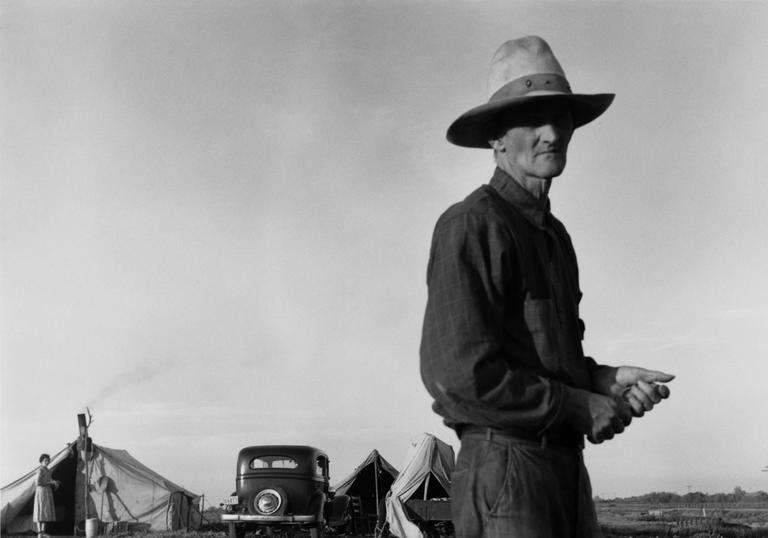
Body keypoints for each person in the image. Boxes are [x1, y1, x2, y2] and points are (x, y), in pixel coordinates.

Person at [419, 36, 675, 537]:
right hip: (506, 467)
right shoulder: (471, 224)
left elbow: (546, 360)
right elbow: (458, 377)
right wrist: (578, 405)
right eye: (532, 119)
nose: (551, 132)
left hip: (563, 467)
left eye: (561, 117)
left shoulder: (554, 235)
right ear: (495, 138)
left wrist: (602, 380)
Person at [33, 453, 60, 538]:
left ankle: (43, 532)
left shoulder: (48, 470)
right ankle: (39, 532)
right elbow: (37, 483)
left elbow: (49, 479)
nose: (47, 462)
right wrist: (50, 483)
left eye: (48, 460)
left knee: (45, 511)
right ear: (41, 462)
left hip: (47, 492)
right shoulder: (40, 470)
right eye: (45, 461)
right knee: (40, 511)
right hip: (41, 492)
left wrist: (55, 482)